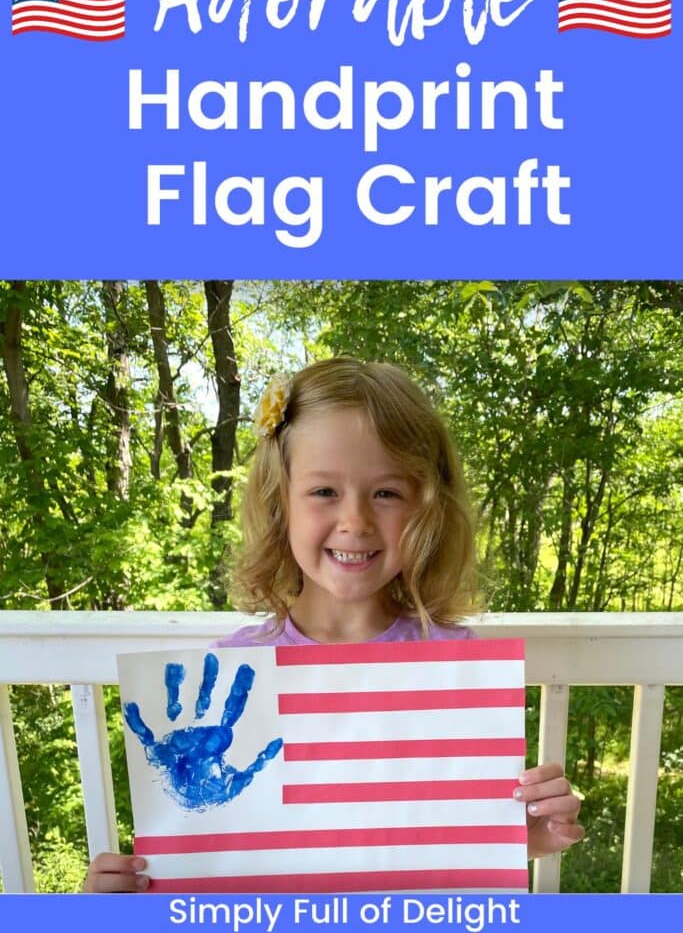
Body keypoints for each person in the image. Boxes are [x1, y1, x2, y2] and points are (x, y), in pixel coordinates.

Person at [84, 357, 584, 892]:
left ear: (427, 510)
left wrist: (530, 830)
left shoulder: (454, 664)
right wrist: (123, 894)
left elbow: (449, 839)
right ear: (282, 504)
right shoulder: (231, 676)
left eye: (386, 493)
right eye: (325, 492)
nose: (355, 521)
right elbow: (211, 865)